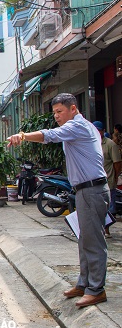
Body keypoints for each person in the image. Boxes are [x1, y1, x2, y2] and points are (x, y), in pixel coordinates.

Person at [7, 93, 109, 308]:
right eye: (54, 113)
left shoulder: (78, 127)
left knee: (93, 241)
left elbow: (50, 135)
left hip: (92, 190)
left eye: (60, 112)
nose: (56, 116)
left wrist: (23, 136)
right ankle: (84, 284)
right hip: (84, 190)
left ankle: (96, 289)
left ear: (73, 109)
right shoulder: (78, 129)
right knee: (85, 240)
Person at [92, 121, 121, 237]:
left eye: (99, 130)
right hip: (93, 181)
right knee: (95, 207)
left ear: (103, 131)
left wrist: (114, 177)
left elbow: (117, 164)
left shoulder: (110, 145)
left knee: (108, 208)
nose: (97, 132)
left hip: (108, 181)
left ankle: (106, 230)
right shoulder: (91, 143)